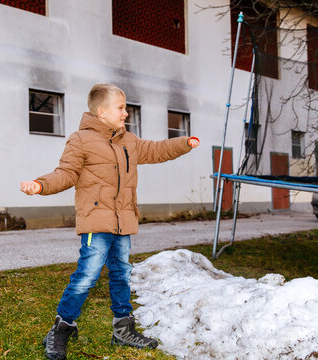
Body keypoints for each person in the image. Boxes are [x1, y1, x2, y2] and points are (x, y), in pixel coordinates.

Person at [20, 84, 200, 360]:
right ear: (102, 112)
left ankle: (123, 329)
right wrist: (40, 185)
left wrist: (182, 143)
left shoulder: (129, 141)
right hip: (96, 222)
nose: (126, 113)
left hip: (123, 222)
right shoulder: (80, 140)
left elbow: (156, 150)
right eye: (121, 108)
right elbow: (65, 173)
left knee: (121, 275)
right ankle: (61, 328)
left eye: (126, 108)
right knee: (87, 276)